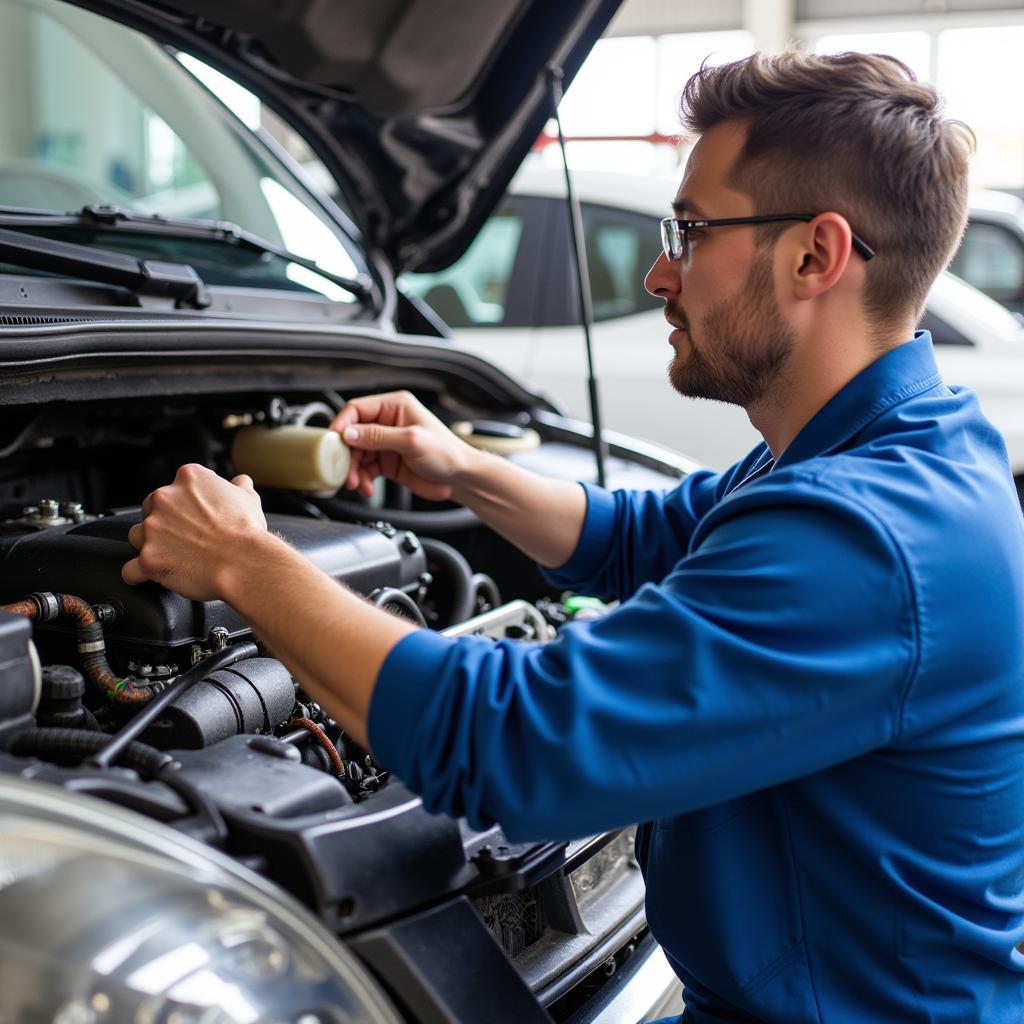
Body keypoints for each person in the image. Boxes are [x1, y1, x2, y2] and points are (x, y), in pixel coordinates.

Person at [121, 51, 1024, 1023]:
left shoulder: (863, 540)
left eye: (690, 229)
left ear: (816, 255)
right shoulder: (895, 445)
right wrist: (459, 463)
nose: (657, 270)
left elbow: (514, 746)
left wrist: (246, 563)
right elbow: (655, 532)